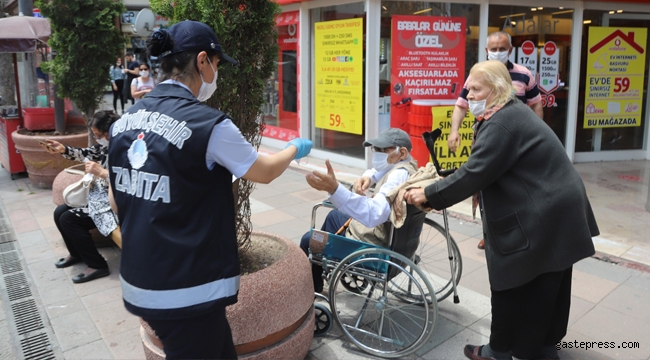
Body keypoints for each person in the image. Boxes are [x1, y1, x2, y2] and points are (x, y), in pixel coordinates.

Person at [107, 20, 312, 360]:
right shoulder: (208, 125)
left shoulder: (124, 122)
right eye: (217, 64)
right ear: (202, 61)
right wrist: (295, 148)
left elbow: (117, 200)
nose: (217, 73)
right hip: (186, 288)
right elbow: (266, 171)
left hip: (142, 279)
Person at [404, 60, 598, 360]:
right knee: (549, 283)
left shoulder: (503, 122)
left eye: (476, 89)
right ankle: (544, 348)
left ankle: (502, 350)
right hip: (558, 205)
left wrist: (428, 194)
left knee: (517, 279)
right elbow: (483, 168)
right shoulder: (506, 113)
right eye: (468, 89)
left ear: (497, 90)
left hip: (548, 209)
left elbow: (475, 173)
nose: (469, 96)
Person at [449, 31, 544, 250]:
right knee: (485, 186)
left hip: (518, 142)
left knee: (515, 186)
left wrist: (537, 134)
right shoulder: (478, 74)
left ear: (510, 50)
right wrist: (455, 131)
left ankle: (518, 229)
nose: (498, 52)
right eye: (494, 49)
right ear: (486, 51)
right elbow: (462, 103)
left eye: (502, 49)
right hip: (487, 137)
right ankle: (488, 232)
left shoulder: (524, 74)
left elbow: (536, 104)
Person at [300, 128, 417, 292]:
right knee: (334, 216)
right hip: (395, 241)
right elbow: (378, 171)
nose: (378, 153)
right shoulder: (406, 168)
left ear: (402, 152)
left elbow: (374, 214)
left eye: (383, 150)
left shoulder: (397, 177)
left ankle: (313, 289)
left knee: (309, 240)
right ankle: (325, 260)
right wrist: (368, 177)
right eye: (376, 149)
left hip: (375, 244)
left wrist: (335, 190)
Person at [41, 111, 121, 284]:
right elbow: (87, 152)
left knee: (70, 219)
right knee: (59, 212)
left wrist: (102, 172)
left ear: (109, 132)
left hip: (115, 204)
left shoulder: (124, 149)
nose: (97, 138)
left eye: (98, 135)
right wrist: (63, 149)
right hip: (100, 198)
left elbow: (127, 180)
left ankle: (97, 265)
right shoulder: (106, 146)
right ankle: (76, 253)